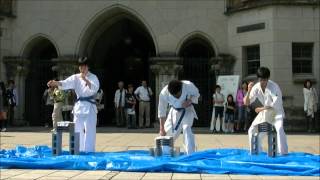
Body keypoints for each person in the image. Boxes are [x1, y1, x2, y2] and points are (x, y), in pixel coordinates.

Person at [47, 57, 100, 152]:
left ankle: (89, 151)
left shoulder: (93, 77)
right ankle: (78, 149)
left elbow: (95, 88)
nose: (82, 69)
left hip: (90, 107)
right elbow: (65, 83)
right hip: (79, 106)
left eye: (83, 67)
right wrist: (55, 83)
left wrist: (86, 80)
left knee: (90, 131)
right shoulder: (76, 77)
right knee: (77, 129)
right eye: (80, 67)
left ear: (87, 67)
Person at [244, 67, 288, 155]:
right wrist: (248, 91)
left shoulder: (274, 87)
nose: (262, 82)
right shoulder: (256, 87)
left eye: (264, 79)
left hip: (276, 112)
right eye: (260, 79)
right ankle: (256, 151)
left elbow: (276, 104)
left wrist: (261, 109)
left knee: (279, 129)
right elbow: (246, 102)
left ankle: (283, 153)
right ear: (258, 79)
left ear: (268, 78)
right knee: (252, 130)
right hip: (265, 113)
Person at [158, 80, 200, 155]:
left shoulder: (188, 85)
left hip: (187, 110)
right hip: (174, 111)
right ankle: (166, 153)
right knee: (168, 132)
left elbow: (197, 94)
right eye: (174, 96)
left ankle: (190, 153)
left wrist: (189, 101)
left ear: (181, 88)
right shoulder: (164, 93)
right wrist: (161, 128)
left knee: (186, 128)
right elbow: (162, 110)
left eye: (178, 95)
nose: (177, 97)